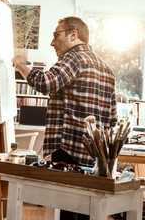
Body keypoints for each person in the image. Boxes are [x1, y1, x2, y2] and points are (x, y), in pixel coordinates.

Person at [13, 16, 117, 219]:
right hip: (94, 155)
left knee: (69, 212)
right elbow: (112, 119)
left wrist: (21, 66)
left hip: (69, 151)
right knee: (85, 212)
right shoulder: (108, 70)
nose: (52, 42)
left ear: (73, 35)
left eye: (56, 36)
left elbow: (46, 83)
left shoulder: (75, 58)